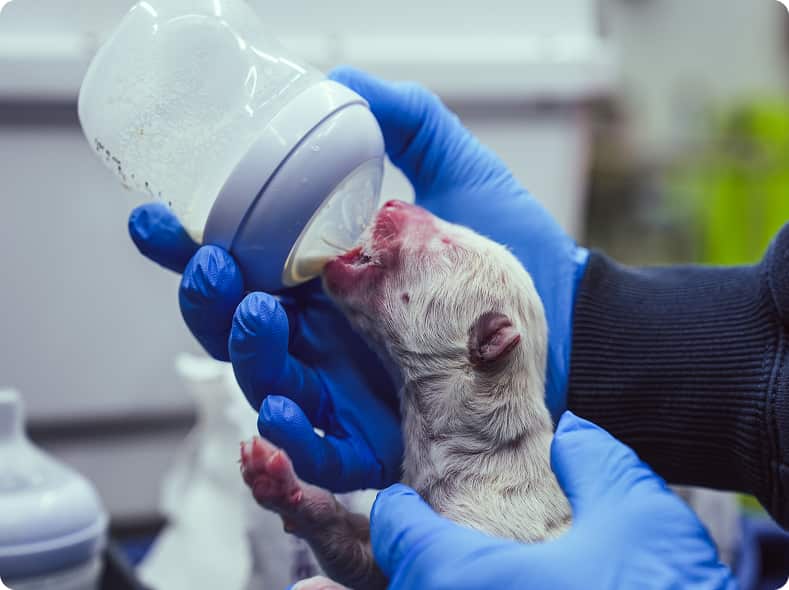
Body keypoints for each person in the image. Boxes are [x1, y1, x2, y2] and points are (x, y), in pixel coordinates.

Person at [128, 67, 787, 587]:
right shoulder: (455, 466)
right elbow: (376, 564)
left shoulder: (556, 492)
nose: (396, 212)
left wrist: (310, 511)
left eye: (445, 247)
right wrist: (311, 515)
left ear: (488, 342)